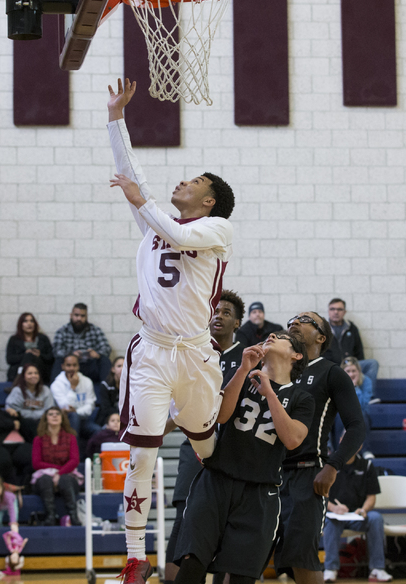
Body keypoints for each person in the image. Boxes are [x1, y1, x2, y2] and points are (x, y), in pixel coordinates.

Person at [107, 78, 235, 584]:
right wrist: (116, 117)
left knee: (205, 446)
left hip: (197, 355)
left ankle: (221, 518)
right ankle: (135, 556)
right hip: (155, 352)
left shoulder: (218, 229)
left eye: (191, 182)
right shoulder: (157, 224)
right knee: (142, 451)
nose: (180, 183)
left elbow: (175, 231)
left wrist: (143, 200)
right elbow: (130, 174)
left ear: (208, 202)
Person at [173, 333, 315, 584]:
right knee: (193, 563)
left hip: (259, 493)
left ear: (297, 355)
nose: (272, 336)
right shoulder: (243, 377)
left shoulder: (302, 398)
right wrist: (243, 368)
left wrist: (270, 393)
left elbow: (293, 439)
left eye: (281, 337)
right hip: (216, 481)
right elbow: (222, 416)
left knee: (242, 576)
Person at [274, 312, 366, 584]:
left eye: (304, 319)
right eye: (291, 318)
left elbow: (356, 427)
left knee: (301, 557)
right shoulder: (279, 371)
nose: (294, 321)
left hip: (307, 473)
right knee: (244, 554)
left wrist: (333, 466)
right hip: (267, 475)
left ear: (321, 337)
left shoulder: (332, 372)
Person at [165, 289, 246, 584]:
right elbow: (182, 403)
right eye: (215, 310)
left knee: (228, 523)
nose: (219, 316)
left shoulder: (247, 358)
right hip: (195, 444)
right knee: (183, 518)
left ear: (237, 323)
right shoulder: (194, 353)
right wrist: (161, 428)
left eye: (226, 312)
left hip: (232, 448)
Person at [323, 449, 392, 583]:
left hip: (358, 515)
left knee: (375, 518)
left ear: (359, 445)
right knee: (329, 521)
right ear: (341, 440)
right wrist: (333, 507)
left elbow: (371, 497)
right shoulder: (329, 464)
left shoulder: (366, 465)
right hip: (336, 515)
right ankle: (330, 568)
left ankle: (377, 568)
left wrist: (364, 509)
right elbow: (320, 494)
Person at [31, 406, 82, 526]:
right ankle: (50, 516)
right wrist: (55, 472)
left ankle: (74, 517)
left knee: (65, 479)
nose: (54, 416)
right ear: (46, 419)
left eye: (57, 414)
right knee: (45, 480)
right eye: (51, 414)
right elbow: (36, 463)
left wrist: (59, 473)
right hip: (45, 476)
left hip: (68, 475)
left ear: (62, 418)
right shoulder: (39, 439)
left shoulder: (71, 437)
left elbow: (74, 460)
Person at [325, 298, 379, 400]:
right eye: (332, 309)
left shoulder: (352, 328)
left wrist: (356, 368)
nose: (336, 312)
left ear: (344, 312)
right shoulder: (323, 330)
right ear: (328, 311)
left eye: (339, 309)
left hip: (351, 365)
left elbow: (359, 351)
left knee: (373, 363)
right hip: (333, 367)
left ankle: (368, 397)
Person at [51, 303, 112, 383]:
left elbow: (106, 348)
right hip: (70, 366)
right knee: (59, 361)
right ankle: (55, 389)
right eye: (76, 315)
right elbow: (56, 351)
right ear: (71, 315)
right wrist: (71, 355)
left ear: (86, 317)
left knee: (104, 360)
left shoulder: (95, 330)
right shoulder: (62, 331)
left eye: (82, 316)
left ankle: (107, 390)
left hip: (90, 365)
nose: (79, 318)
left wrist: (97, 354)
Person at [0, 385, 32, 487]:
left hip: (17, 445)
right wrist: (11, 424)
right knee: (2, 460)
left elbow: (20, 424)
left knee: (33, 455)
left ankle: (24, 490)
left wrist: (16, 415)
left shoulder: (5, 413)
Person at [50, 354, 100, 441]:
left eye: (74, 365)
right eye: (68, 365)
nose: (72, 368)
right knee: (73, 416)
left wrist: (77, 411)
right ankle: (74, 452)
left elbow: (90, 407)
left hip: (84, 420)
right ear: (63, 366)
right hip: (64, 421)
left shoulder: (87, 381)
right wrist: (73, 388)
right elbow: (66, 408)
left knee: (99, 431)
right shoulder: (56, 385)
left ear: (78, 366)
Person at [332, 357, 374, 459]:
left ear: (359, 371)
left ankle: (365, 450)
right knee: (338, 416)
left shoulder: (366, 381)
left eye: (354, 371)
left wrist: (354, 387)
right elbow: (337, 405)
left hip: (360, 414)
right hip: (341, 415)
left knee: (362, 414)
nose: (351, 374)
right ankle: (338, 450)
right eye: (348, 371)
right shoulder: (336, 382)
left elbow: (363, 405)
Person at [5, 364, 55, 442]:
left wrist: (31, 414)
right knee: (29, 423)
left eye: (36, 373)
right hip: (24, 422)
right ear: (24, 376)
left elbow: (49, 410)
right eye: (30, 373)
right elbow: (15, 411)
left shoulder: (45, 390)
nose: (33, 376)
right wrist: (34, 414)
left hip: (42, 421)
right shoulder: (17, 391)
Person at [6, 313, 54, 384]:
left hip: (40, 369)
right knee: (28, 355)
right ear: (21, 324)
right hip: (19, 367)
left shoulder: (43, 338)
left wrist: (40, 355)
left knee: (31, 356)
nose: (29, 324)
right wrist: (25, 354)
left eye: (31, 321)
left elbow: (51, 357)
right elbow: (9, 359)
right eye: (25, 321)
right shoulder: (14, 339)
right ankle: (20, 377)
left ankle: (17, 381)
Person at [96, 356, 124, 426]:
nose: (122, 369)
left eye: (125, 366)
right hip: (107, 418)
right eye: (119, 366)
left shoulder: (132, 386)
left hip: (125, 418)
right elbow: (106, 408)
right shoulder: (105, 385)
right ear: (113, 369)